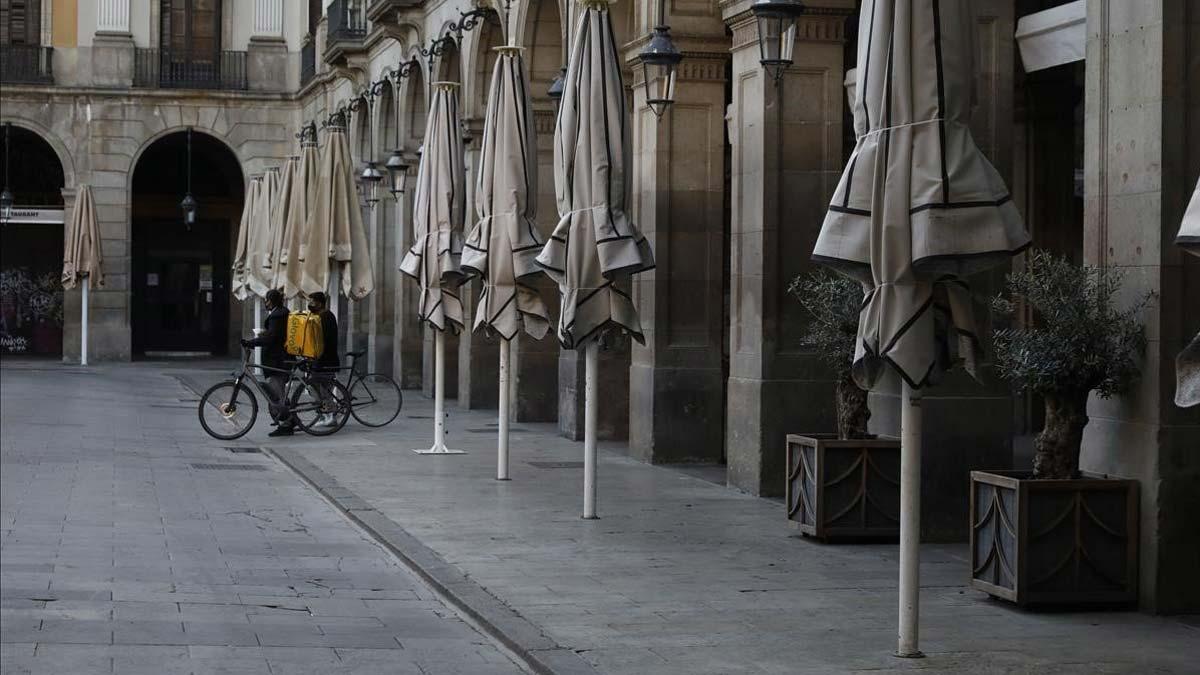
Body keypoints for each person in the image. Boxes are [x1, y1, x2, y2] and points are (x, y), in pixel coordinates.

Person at [241, 289, 295, 437]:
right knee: (278, 394)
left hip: (278, 361)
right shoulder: (281, 312)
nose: (266, 303)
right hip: (280, 359)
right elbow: (276, 335)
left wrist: (251, 342)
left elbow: (272, 339)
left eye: (267, 300)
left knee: (276, 396)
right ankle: (289, 420)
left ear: (273, 301)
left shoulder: (277, 315)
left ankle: (287, 424)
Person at [306, 292, 340, 427]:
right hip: (320, 359)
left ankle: (331, 415)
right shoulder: (320, 316)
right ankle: (324, 414)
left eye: (312, 302)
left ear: (319, 303)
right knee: (314, 387)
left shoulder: (326, 317)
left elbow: (323, 340)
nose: (310, 304)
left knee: (324, 389)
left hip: (326, 360)